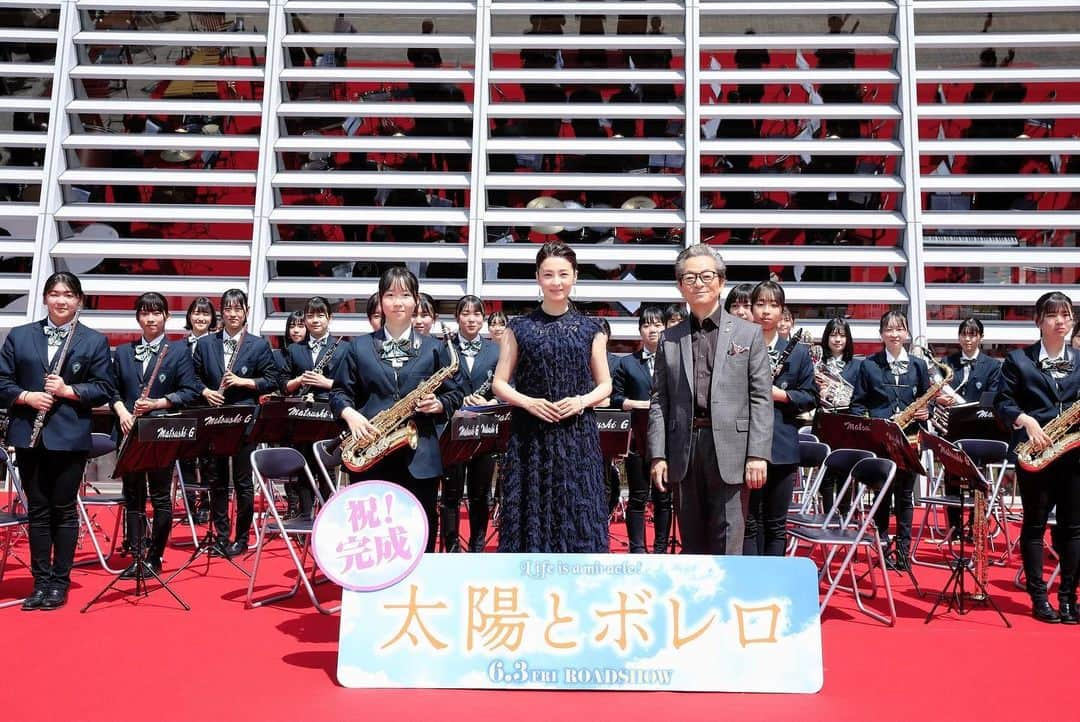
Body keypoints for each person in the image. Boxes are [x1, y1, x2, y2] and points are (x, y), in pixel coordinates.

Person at [647, 245, 773, 555]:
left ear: (720, 281)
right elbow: (658, 401)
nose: (699, 283)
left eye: (706, 275)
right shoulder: (670, 338)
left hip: (732, 448)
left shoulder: (748, 334)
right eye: (690, 277)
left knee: (729, 537)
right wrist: (657, 455)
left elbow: (761, 398)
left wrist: (757, 454)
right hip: (684, 448)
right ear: (680, 287)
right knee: (692, 541)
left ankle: (726, 601)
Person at [0, 272, 113, 610]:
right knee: (38, 510)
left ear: (79, 300)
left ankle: (59, 583)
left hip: (69, 437)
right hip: (28, 437)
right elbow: (2, 381)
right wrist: (25, 397)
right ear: (45, 298)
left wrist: (69, 391)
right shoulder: (20, 337)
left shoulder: (93, 341)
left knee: (63, 510)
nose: (61, 300)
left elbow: (104, 388)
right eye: (54, 293)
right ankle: (40, 580)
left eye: (68, 294)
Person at [331, 267, 462, 553]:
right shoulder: (358, 348)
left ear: (416, 300)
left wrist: (440, 404)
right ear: (380, 300)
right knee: (372, 533)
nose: (398, 302)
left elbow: (456, 391)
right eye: (390, 295)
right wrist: (350, 415)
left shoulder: (434, 349)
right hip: (371, 452)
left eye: (405, 295)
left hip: (420, 455)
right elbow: (339, 392)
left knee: (421, 525)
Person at [491, 242, 612, 552]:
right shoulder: (518, 328)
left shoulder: (592, 328)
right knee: (531, 506)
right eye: (549, 275)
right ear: (537, 278)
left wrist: (582, 401)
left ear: (575, 277)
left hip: (577, 433)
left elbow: (605, 385)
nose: (556, 282)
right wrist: (528, 402)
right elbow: (499, 383)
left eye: (563, 274)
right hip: (530, 434)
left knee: (577, 505)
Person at [996, 292, 1080, 623]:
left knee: (1075, 529)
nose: (1061, 321)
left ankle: (1069, 596)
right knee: (1034, 527)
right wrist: (1026, 420)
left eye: (1066, 315)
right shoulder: (1018, 361)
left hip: (1073, 456)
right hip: (1036, 454)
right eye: (1053, 315)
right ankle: (1038, 596)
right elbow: (1002, 403)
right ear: (1038, 321)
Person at [111, 292, 200, 577]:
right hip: (128, 432)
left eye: (156, 313)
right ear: (138, 317)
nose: (151, 318)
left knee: (161, 496)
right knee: (132, 494)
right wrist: (122, 412)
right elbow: (110, 388)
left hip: (162, 432)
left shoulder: (178, 351)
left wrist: (159, 403)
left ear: (166, 317)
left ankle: (155, 556)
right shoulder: (124, 352)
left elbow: (190, 392)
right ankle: (136, 555)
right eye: (145, 313)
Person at [192, 289, 279, 558]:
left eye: (237, 309)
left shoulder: (259, 345)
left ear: (246, 312)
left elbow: (272, 380)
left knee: (242, 482)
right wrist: (206, 392)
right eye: (228, 309)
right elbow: (190, 378)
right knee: (217, 479)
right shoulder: (206, 344)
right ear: (221, 312)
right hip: (215, 418)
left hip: (244, 419)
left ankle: (241, 537)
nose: (232, 314)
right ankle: (220, 535)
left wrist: (244, 383)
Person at [851, 310, 931, 571]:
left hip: (910, 439)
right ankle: (882, 547)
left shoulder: (919, 365)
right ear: (881, 334)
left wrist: (924, 411)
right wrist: (869, 429)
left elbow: (925, 399)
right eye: (889, 329)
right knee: (881, 495)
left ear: (907, 333)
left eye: (899, 329)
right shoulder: (869, 365)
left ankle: (905, 552)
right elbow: (857, 404)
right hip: (881, 439)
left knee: (905, 496)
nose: (894, 334)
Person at [743, 281, 817, 555]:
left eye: (773, 305)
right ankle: (749, 584)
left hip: (782, 445)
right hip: (745, 445)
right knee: (748, 522)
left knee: (775, 523)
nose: (766, 311)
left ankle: (772, 584)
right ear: (751, 308)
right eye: (760, 304)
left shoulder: (797, 353)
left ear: (782, 312)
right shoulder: (739, 348)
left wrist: (780, 395)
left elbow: (810, 396)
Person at [440, 295, 500, 552]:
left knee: (480, 494)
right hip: (452, 429)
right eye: (466, 313)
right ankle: (452, 548)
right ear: (457, 318)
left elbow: (508, 385)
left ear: (483, 319)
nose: (471, 319)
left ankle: (477, 548)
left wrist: (492, 401)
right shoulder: (443, 348)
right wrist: (456, 399)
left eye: (476, 314)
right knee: (450, 495)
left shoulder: (496, 350)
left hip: (484, 431)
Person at [612, 306, 672, 553]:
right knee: (637, 496)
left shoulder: (676, 361)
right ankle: (637, 549)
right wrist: (640, 404)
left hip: (667, 440)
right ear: (639, 331)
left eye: (657, 324)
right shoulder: (627, 363)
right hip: (636, 438)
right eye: (647, 325)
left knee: (663, 498)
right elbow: (615, 398)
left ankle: (660, 549)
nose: (652, 330)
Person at [936, 318, 1002, 537]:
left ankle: (977, 525)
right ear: (959, 337)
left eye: (973, 334)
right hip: (952, 429)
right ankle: (954, 527)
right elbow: (938, 393)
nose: (968, 339)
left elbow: (991, 399)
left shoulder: (992, 366)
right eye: (964, 334)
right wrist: (940, 400)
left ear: (981, 338)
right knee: (951, 475)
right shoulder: (947, 362)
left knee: (978, 478)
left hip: (979, 429)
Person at [280, 297, 342, 519]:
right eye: (310, 316)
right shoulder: (295, 350)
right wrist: (299, 381)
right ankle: (305, 517)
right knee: (303, 467)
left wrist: (326, 383)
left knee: (327, 468)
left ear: (329, 318)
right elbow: (283, 385)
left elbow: (351, 384)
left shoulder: (343, 348)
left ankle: (328, 516)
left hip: (329, 416)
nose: (315, 320)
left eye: (320, 315)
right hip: (303, 416)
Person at [814, 317, 862, 512]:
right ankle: (827, 514)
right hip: (824, 423)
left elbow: (861, 395)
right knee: (826, 472)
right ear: (827, 337)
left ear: (848, 339)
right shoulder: (816, 363)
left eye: (842, 335)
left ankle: (843, 513)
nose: (837, 339)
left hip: (846, 424)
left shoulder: (858, 365)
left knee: (845, 470)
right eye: (833, 334)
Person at [182, 297, 215, 523]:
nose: (200, 318)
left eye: (205, 314)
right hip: (185, 407)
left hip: (208, 407)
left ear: (212, 319)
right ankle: (189, 504)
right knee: (185, 458)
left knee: (208, 459)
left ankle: (206, 504)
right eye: (196, 313)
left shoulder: (217, 344)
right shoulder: (179, 345)